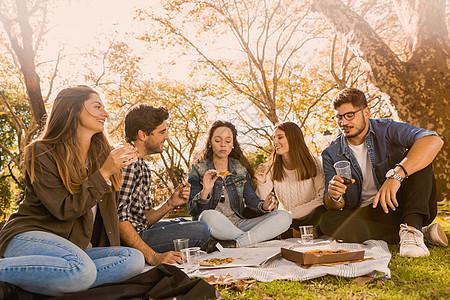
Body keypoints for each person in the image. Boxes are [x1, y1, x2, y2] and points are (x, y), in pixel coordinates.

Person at [0, 86, 144, 296]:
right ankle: (65, 277)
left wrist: (110, 170)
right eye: (97, 106)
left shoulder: (101, 156)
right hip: (30, 237)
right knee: (81, 270)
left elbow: (108, 215)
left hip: (73, 249)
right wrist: (103, 173)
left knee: (132, 259)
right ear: (72, 110)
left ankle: (45, 280)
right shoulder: (41, 152)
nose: (105, 113)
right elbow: (64, 209)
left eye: (104, 107)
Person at [320, 87, 447, 257]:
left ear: (366, 112)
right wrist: (334, 196)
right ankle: (416, 233)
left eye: (349, 115)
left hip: (403, 203)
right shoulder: (331, 153)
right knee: (328, 222)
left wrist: (396, 176)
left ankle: (412, 226)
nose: (344, 122)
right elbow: (334, 205)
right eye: (339, 117)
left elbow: (433, 140)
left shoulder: (386, 129)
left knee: (418, 155)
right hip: (372, 214)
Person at [117, 104, 210, 266]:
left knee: (188, 222)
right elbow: (118, 218)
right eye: (162, 132)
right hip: (124, 242)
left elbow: (143, 219)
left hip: (140, 230)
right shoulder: (127, 159)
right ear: (143, 135)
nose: (166, 137)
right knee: (199, 230)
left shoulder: (142, 165)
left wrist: (170, 203)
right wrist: (153, 256)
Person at [187, 120, 292, 249]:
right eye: (218, 140)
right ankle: (253, 240)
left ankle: (238, 243)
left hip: (239, 224)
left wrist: (263, 206)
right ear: (210, 142)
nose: (223, 145)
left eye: (228, 141)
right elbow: (192, 210)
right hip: (214, 226)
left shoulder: (240, 169)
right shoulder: (198, 169)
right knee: (207, 216)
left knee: (284, 216)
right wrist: (205, 192)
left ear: (233, 144)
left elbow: (251, 199)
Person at [255, 122, 326, 238]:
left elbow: (321, 197)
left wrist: (291, 214)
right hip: (287, 221)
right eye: (274, 138)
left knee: (323, 213)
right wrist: (262, 182)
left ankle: (293, 233)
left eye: (280, 137)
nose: (275, 142)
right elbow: (262, 203)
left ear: (293, 138)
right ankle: (296, 233)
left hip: (311, 216)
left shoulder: (313, 163)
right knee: (269, 221)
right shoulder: (271, 167)